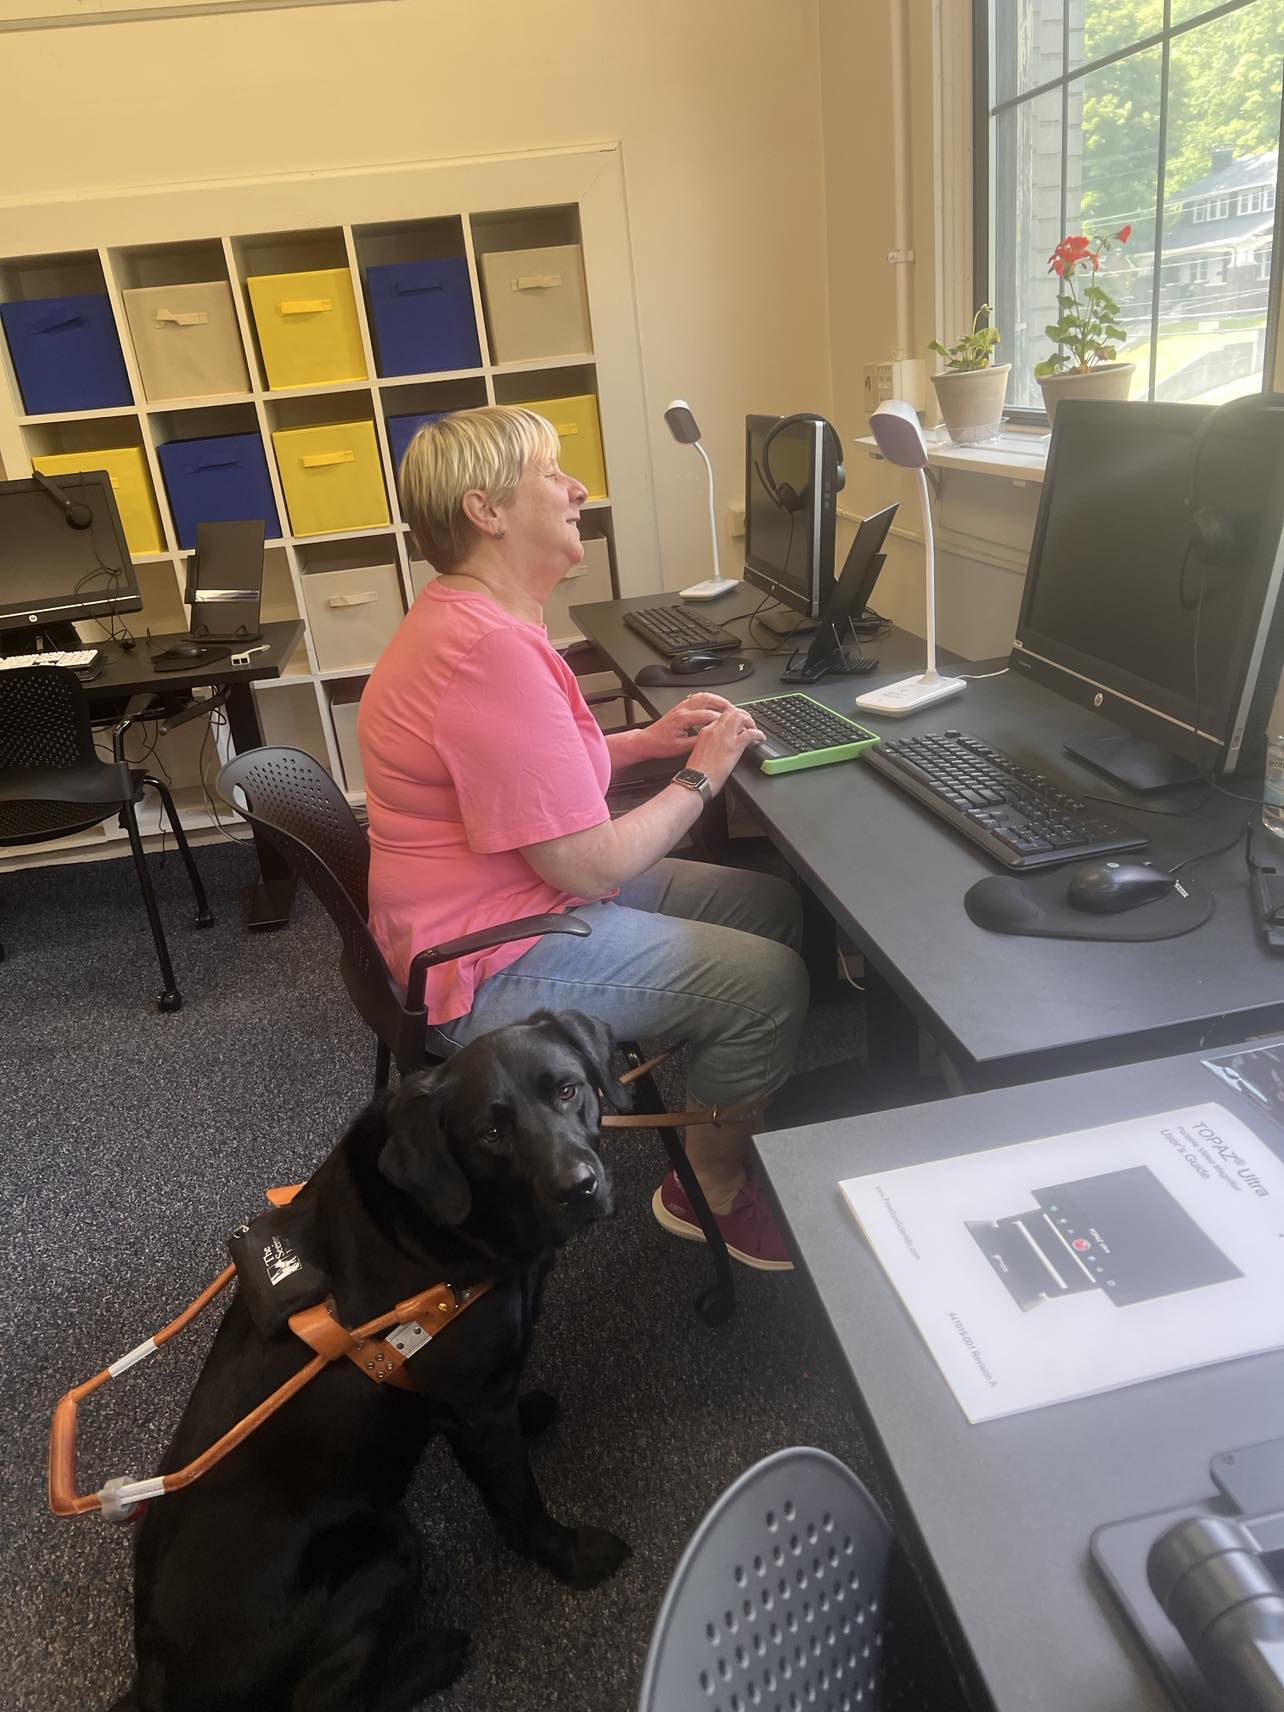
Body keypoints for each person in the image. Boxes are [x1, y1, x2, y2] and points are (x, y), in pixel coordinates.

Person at [358, 405, 810, 1270]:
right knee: (773, 980)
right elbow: (587, 858)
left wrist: (643, 744)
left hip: (499, 906)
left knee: (770, 904)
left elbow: (529, 775)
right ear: (487, 512)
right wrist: (702, 772)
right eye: (551, 474)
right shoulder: (486, 648)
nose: (575, 490)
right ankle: (704, 1187)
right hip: (484, 959)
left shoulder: (470, 620)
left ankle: (725, 1088)